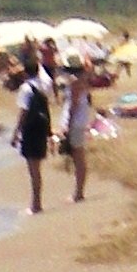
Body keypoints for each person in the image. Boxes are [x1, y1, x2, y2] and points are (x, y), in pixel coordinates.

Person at [11, 66, 54, 215]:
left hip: (31, 129)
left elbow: (23, 112)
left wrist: (16, 133)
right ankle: (36, 202)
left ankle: (36, 204)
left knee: (33, 169)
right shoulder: (44, 85)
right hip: (42, 127)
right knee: (37, 168)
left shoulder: (25, 88)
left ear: (25, 72)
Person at [61, 62, 93, 204]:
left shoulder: (75, 83)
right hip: (80, 121)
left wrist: (67, 124)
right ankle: (78, 191)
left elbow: (73, 106)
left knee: (78, 157)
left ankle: (79, 193)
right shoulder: (83, 81)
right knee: (78, 156)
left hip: (75, 123)